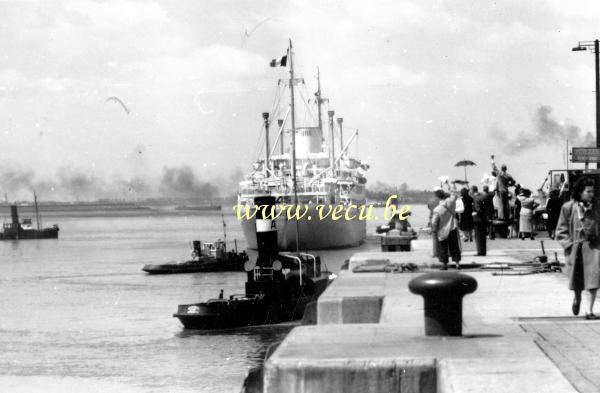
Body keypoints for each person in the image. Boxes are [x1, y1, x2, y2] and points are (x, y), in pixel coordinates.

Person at [556, 177, 600, 319]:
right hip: (576, 249)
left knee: (594, 279)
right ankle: (577, 298)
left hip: (594, 248)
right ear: (580, 192)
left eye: (593, 191)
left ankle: (589, 310)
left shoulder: (597, 206)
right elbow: (560, 230)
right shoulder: (568, 207)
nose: (591, 194)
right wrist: (568, 245)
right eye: (588, 191)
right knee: (577, 280)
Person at [431, 184, 461, 270]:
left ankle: (444, 264)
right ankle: (457, 264)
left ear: (438, 198)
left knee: (443, 247)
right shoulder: (451, 202)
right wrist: (449, 186)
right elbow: (454, 194)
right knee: (454, 247)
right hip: (452, 227)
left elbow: (434, 222)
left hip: (442, 230)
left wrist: (434, 230)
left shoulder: (437, 210)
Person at [491, 155, 516, 220]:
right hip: (506, 190)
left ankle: (501, 217)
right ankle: (506, 216)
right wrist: (509, 185)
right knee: (506, 203)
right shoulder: (508, 175)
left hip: (500, 190)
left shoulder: (499, 173)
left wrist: (492, 159)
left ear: (501, 168)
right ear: (506, 169)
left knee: (501, 204)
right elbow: (514, 182)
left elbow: (494, 167)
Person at [472, 185, 488, 255]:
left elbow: (478, 209)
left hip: (478, 219)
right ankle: (483, 250)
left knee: (478, 236)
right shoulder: (482, 196)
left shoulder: (475, 198)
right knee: (482, 236)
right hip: (483, 218)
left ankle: (480, 251)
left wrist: (474, 213)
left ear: (472, 190)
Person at [427, 188, 444, 257]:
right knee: (443, 236)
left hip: (433, 219)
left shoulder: (430, 201)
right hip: (442, 219)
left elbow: (429, 207)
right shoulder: (443, 201)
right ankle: (444, 252)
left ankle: (436, 253)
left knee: (434, 236)